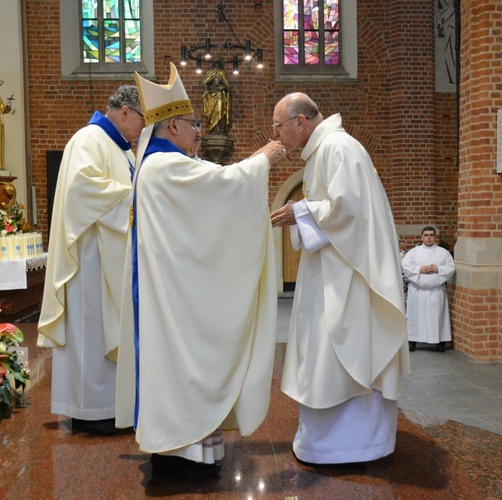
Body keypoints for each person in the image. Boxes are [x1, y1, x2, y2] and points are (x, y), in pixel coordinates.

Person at [115, 63, 287, 480]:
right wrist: (262, 159)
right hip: (174, 300)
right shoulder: (164, 167)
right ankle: (179, 455)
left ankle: (197, 451)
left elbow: (214, 185)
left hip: (176, 291)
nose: (200, 131)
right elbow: (224, 188)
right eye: (194, 124)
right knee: (180, 367)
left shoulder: (161, 166)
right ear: (172, 126)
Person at [269, 93, 409, 466]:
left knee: (339, 355)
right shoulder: (325, 149)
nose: (276, 134)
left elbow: (348, 210)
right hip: (333, 270)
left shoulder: (338, 148)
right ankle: (330, 443)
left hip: (347, 278)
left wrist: (299, 211)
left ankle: (349, 447)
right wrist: (303, 213)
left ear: (300, 122)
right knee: (324, 356)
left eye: (278, 125)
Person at [38, 85, 143, 435]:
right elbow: (83, 188)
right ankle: (89, 410)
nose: (144, 129)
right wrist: (139, 195)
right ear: (125, 111)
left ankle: (115, 406)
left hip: (112, 254)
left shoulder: (123, 150)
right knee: (92, 332)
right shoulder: (89, 138)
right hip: (91, 259)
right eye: (143, 120)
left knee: (111, 329)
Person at [402, 226, 455, 352]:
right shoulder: (414, 252)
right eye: (426, 235)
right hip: (417, 291)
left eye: (431, 235)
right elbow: (405, 265)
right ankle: (412, 341)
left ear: (434, 237)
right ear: (422, 237)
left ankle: (440, 342)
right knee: (415, 316)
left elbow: (451, 267)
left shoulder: (443, 252)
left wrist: (438, 269)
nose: (429, 237)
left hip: (436, 291)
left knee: (437, 316)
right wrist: (420, 269)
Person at [202, 64, 230, 135]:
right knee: (212, 112)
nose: (216, 65)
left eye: (218, 63)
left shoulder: (222, 73)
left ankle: (220, 129)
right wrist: (206, 91)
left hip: (220, 94)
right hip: (211, 94)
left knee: (220, 110)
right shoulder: (210, 72)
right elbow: (205, 83)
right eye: (215, 63)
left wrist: (223, 87)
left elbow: (227, 85)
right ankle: (213, 129)